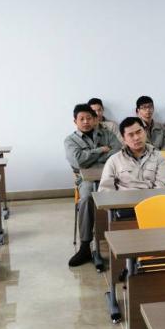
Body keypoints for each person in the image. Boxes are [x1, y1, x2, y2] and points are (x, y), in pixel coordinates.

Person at [64, 104, 121, 267]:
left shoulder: (107, 134)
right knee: (87, 199)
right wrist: (101, 151)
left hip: (112, 175)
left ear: (95, 119)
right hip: (87, 179)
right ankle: (85, 246)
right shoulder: (70, 140)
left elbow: (117, 152)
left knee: (129, 192)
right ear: (75, 121)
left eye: (89, 118)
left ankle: (122, 238)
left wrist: (89, 157)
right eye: (81, 119)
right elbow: (78, 161)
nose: (86, 122)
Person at [98, 117, 165, 192]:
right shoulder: (114, 160)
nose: (136, 138)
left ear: (145, 132)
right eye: (131, 135)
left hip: (152, 198)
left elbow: (162, 186)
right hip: (124, 198)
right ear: (124, 139)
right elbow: (105, 189)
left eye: (139, 132)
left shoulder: (159, 157)